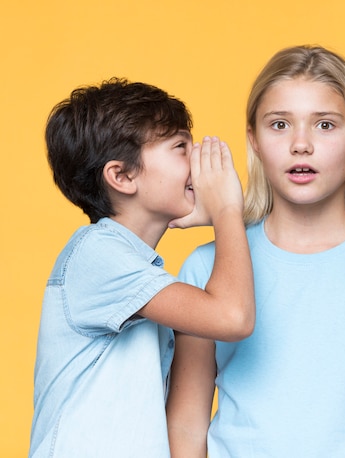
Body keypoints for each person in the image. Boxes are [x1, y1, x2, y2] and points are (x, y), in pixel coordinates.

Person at [167, 45, 345, 458]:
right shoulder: (205, 267)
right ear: (254, 140)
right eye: (280, 124)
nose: (301, 145)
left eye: (325, 125)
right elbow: (184, 424)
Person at [29, 78, 255, 458]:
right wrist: (226, 210)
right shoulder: (97, 254)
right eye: (181, 146)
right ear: (122, 176)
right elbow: (233, 316)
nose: (198, 157)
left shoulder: (132, 266)